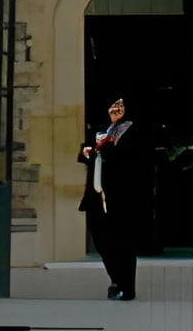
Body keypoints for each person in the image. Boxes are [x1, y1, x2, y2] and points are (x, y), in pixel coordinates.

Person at [78, 94, 141, 301]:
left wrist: (102, 149)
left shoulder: (133, 130)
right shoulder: (99, 128)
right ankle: (116, 279)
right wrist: (88, 152)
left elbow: (128, 157)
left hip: (121, 196)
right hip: (96, 194)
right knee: (101, 239)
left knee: (123, 242)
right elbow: (84, 153)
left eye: (120, 106)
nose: (116, 109)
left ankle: (126, 287)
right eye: (114, 105)